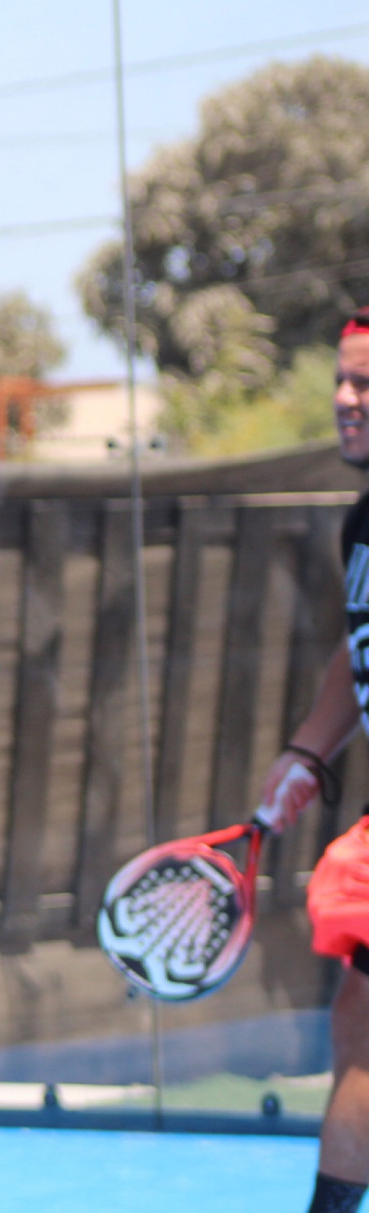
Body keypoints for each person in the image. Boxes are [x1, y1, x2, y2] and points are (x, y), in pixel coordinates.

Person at [257, 310, 369, 1213]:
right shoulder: (362, 522)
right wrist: (307, 749)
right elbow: (355, 647)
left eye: (365, 382)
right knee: (358, 1030)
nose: (344, 397)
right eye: (341, 377)